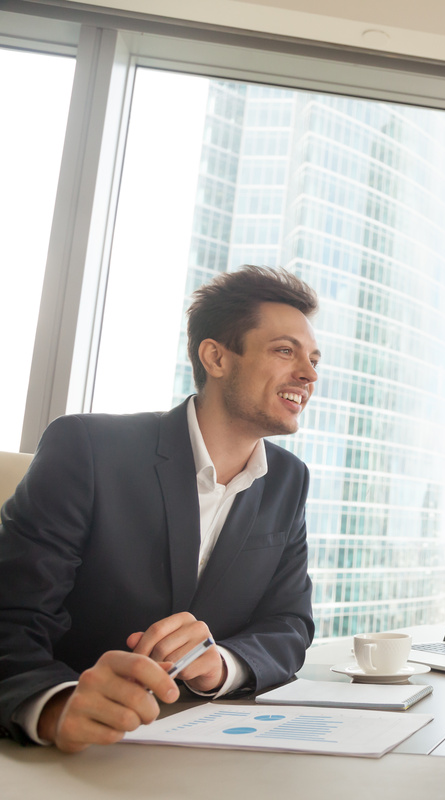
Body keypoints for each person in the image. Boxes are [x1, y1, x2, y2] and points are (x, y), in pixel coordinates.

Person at [0, 266, 320, 752]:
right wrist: (55, 703)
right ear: (215, 356)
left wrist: (223, 664)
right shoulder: (88, 447)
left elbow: (290, 623)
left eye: (314, 359)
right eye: (284, 351)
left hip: (201, 745)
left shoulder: (288, 479)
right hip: (70, 753)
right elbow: (12, 614)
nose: (309, 374)